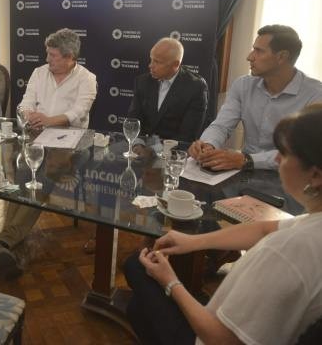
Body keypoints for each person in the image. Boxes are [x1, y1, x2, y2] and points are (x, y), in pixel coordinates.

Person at [124, 103, 322, 344]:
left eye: (285, 153)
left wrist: (170, 281)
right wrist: (193, 242)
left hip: (209, 336)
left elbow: (220, 338)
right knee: (139, 308)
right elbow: (264, 229)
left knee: (135, 266)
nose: (277, 158)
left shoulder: (285, 251)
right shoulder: (309, 226)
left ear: (315, 175)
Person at [0, 28, 97, 277]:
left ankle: (5, 241)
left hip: (72, 142)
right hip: (38, 136)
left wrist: (48, 120)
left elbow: (78, 112)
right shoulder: (39, 73)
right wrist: (28, 115)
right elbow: (25, 103)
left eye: (53, 55)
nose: (47, 59)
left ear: (70, 57)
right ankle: (7, 242)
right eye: (48, 54)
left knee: (43, 179)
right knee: (24, 174)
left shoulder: (87, 78)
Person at [189, 25, 322, 171]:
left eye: (258, 51)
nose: (250, 57)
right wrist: (208, 145)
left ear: (281, 57)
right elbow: (221, 126)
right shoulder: (242, 85)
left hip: (292, 175)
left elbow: (303, 151)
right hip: (243, 170)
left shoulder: (316, 94)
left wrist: (247, 160)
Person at [128, 37, 208, 142]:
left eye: (157, 62)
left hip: (172, 149)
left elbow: (187, 135)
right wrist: (138, 144)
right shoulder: (142, 82)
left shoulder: (195, 87)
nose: (150, 65)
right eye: (151, 59)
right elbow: (133, 121)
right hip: (142, 145)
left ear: (175, 64)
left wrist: (154, 149)